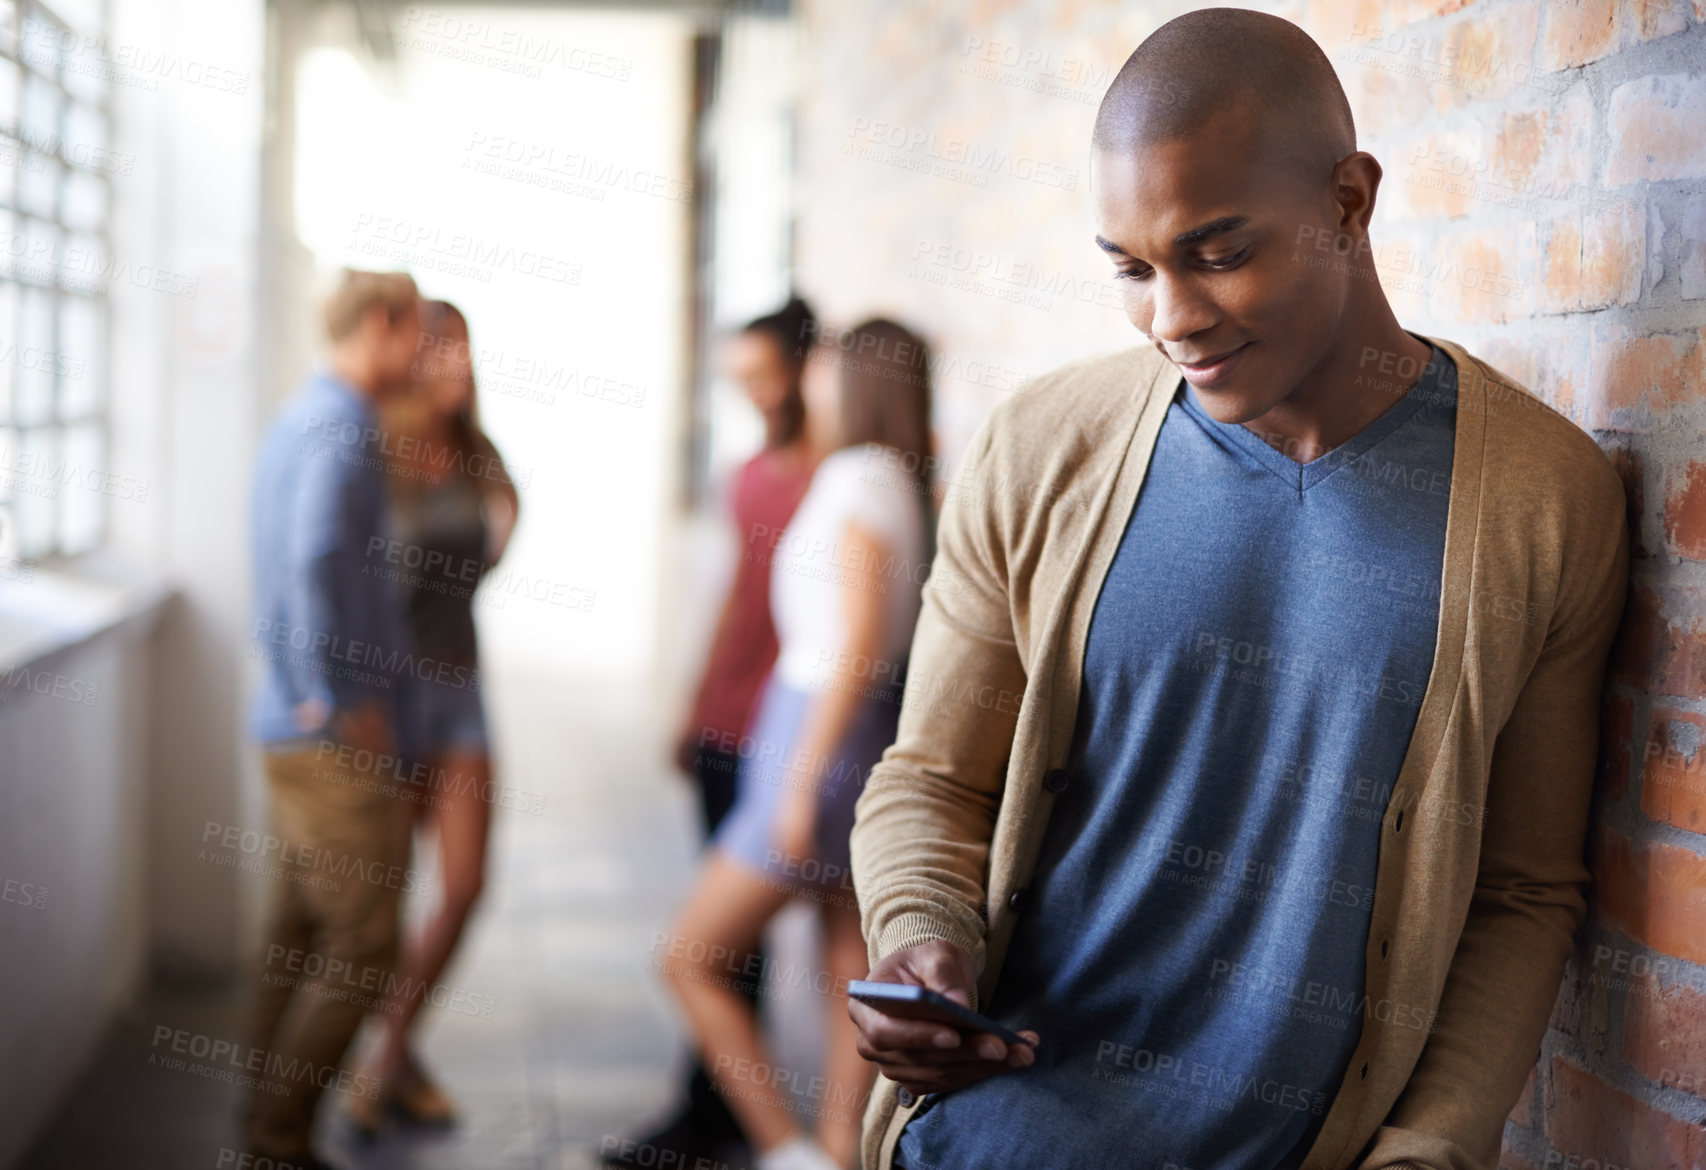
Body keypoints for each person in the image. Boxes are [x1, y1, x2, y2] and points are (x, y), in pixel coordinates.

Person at [848, 10, 1630, 1170]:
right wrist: (921, 940)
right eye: (1129, 268)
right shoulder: (1037, 452)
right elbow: (931, 777)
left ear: (1348, 204)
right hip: (993, 1143)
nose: (1171, 316)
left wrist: (1431, 1145)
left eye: (1217, 252)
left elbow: (1520, 891)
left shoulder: (1540, 497)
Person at [664, 319, 936, 1170]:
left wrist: (795, 783)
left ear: (853, 382)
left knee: (689, 960)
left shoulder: (859, 478)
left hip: (817, 738)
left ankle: (786, 1149)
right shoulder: (900, 479)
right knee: (844, 966)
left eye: (822, 369)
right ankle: (836, 1151)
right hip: (847, 737)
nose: (807, 382)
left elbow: (854, 646)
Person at [607, 297, 822, 1169]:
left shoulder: (832, 477)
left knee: (719, 940)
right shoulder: (747, 473)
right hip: (727, 724)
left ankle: (716, 1114)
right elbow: (727, 602)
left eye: (763, 374)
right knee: (732, 938)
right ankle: (721, 1104)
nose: (752, 392)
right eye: (740, 378)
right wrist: (693, 706)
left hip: (786, 729)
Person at [244, 269, 423, 1170]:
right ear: (383, 324)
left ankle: (259, 1132)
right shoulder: (345, 422)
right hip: (323, 733)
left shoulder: (303, 409)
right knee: (363, 942)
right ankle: (278, 1143)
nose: (424, 356)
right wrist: (334, 696)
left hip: (285, 725)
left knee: (299, 932)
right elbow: (314, 553)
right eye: (418, 334)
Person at [342, 299, 520, 1136]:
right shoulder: (382, 450)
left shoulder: (476, 452)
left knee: (465, 883)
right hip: (400, 694)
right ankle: (393, 1062)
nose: (457, 365)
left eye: (464, 349)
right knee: (385, 896)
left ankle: (386, 1052)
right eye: (440, 350)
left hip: (463, 689)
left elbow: (501, 526)